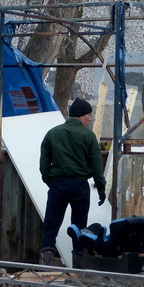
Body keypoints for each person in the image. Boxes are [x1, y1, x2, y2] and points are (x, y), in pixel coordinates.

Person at [38, 97, 106, 266]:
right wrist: (102, 188)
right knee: (79, 225)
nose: (90, 119)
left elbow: (44, 165)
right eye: (89, 115)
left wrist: (51, 182)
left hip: (58, 185)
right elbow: (97, 167)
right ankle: (78, 263)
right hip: (80, 186)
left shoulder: (52, 134)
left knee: (51, 223)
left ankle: (46, 259)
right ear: (81, 116)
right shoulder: (89, 136)